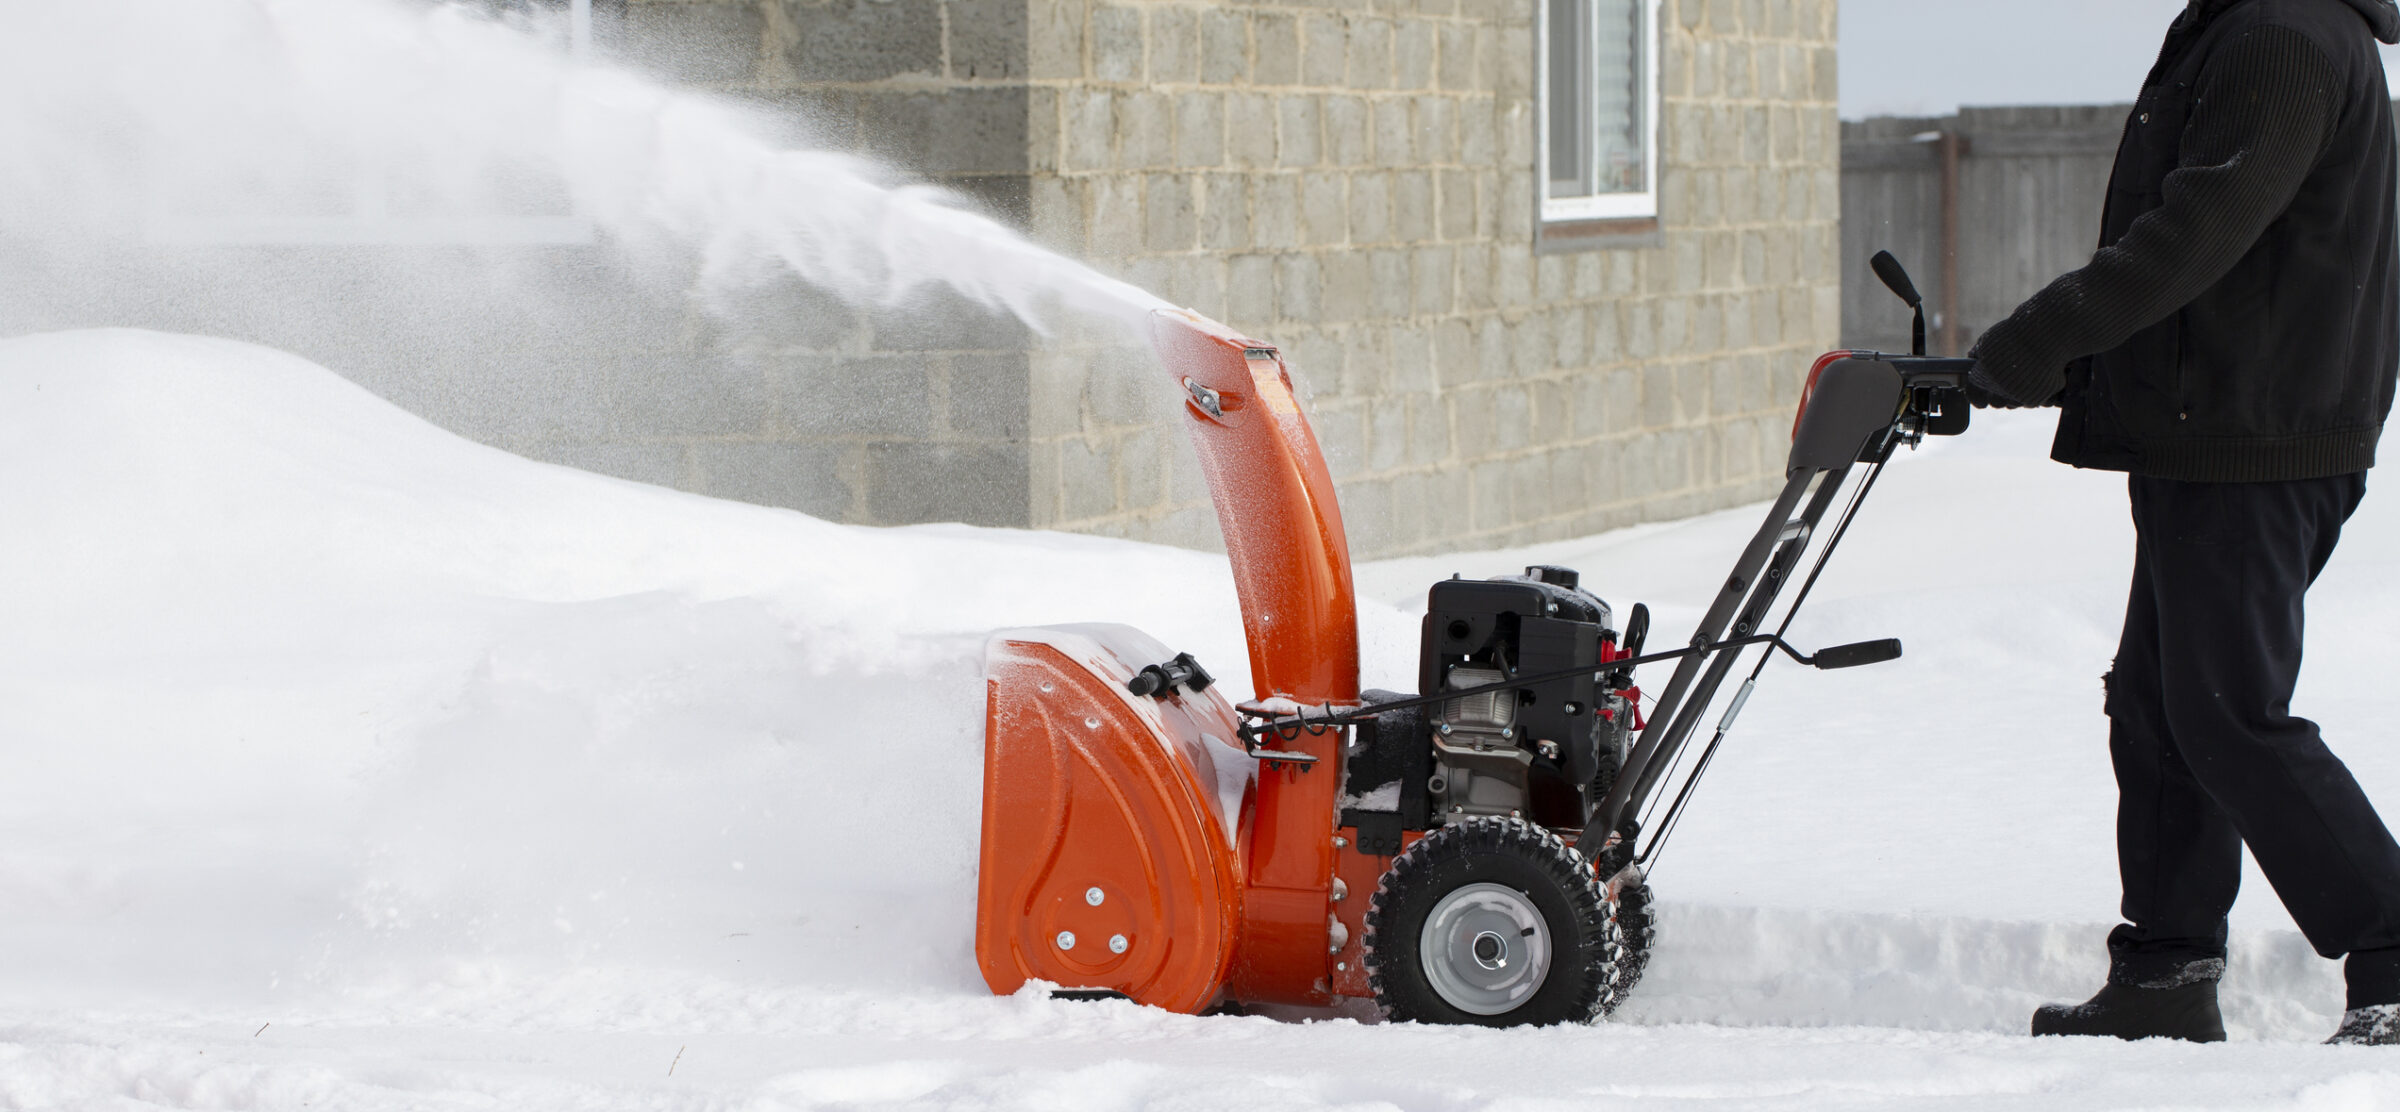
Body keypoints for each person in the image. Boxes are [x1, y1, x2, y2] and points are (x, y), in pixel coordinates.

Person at [1967, 0, 2400, 1044]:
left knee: (2226, 712)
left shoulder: (2282, 36)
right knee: (2160, 704)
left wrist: (2040, 340)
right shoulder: (2248, 25)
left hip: (2255, 438)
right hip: (2215, 429)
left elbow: (2194, 232)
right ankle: (2166, 964)